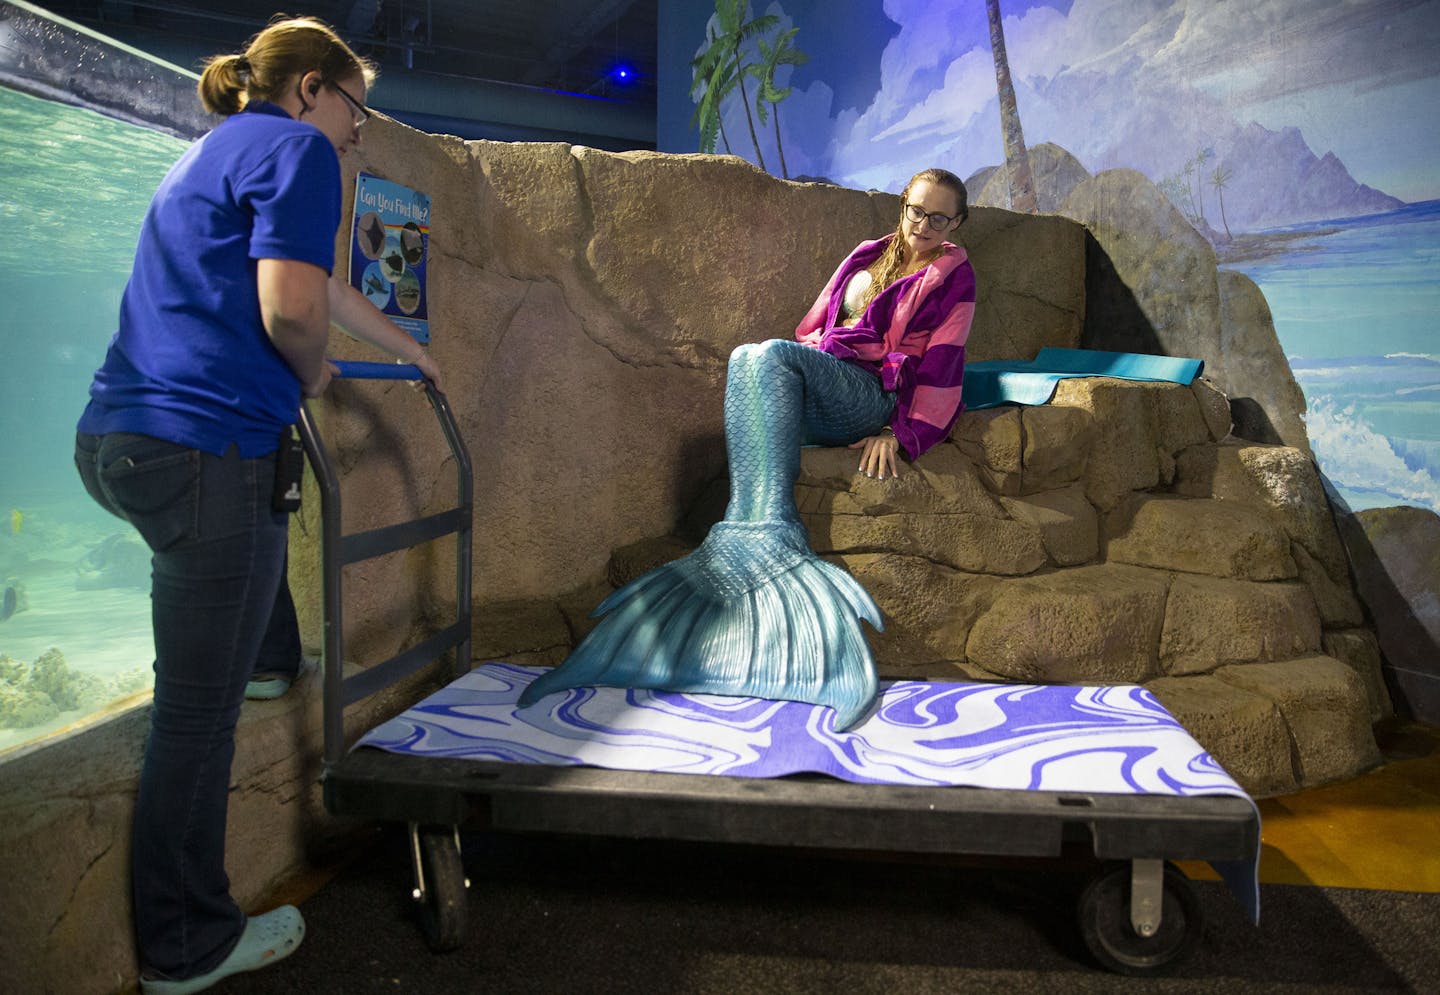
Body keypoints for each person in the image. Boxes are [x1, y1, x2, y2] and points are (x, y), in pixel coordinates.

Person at [73, 17, 442, 994]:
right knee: (193, 718)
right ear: (313, 89)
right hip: (203, 445)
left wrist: (409, 349)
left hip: (123, 437)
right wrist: (314, 366)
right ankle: (186, 944)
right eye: (358, 108)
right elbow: (290, 310)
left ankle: (269, 662)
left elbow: (316, 283)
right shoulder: (296, 147)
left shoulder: (216, 151)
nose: (361, 130)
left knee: (243, 594)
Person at [520, 168, 974, 730]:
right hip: (831, 376)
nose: (922, 225)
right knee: (747, 358)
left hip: (873, 394)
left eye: (938, 217)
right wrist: (788, 380)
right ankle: (749, 537)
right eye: (916, 210)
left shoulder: (954, 274)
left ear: (955, 222)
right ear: (903, 205)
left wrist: (902, 435)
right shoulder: (868, 252)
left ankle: (773, 540)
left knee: (767, 356)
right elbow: (815, 326)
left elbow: (944, 361)